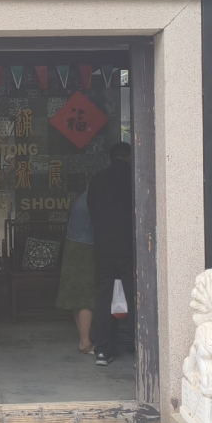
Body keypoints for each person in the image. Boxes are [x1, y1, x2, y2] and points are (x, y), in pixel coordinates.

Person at [87, 141, 134, 366]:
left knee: (104, 298)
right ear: (129, 157)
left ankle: (103, 351)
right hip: (130, 248)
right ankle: (139, 347)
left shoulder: (98, 179)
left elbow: (92, 210)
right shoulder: (135, 177)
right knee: (135, 298)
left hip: (104, 247)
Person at [55, 174, 96, 354]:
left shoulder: (81, 199)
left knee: (75, 298)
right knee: (86, 297)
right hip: (86, 248)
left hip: (72, 247)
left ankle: (84, 339)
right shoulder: (93, 200)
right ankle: (85, 341)